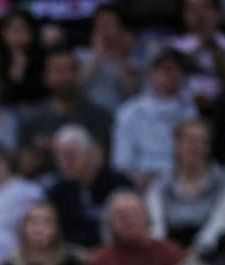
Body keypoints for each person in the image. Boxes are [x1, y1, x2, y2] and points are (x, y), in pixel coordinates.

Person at [112, 48, 198, 190]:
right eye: (166, 69)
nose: (173, 75)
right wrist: (138, 179)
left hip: (180, 183)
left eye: (178, 69)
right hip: (138, 183)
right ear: (151, 73)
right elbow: (121, 161)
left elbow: (193, 158)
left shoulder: (191, 113)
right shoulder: (129, 112)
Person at [19, 48, 113, 178]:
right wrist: (39, 151)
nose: (64, 77)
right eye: (58, 71)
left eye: (68, 70)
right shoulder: (34, 118)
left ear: (78, 75)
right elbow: (25, 167)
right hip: (44, 186)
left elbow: (100, 160)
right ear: (46, 77)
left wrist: (56, 146)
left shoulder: (98, 115)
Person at [44, 124, 132, 249]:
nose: (64, 163)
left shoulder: (118, 185)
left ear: (90, 152)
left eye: (70, 156)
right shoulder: (57, 192)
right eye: (60, 157)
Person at [147, 118, 225, 250]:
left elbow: (219, 224)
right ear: (176, 144)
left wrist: (195, 253)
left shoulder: (221, 182)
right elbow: (156, 228)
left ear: (208, 147)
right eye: (189, 140)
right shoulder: (160, 185)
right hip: (169, 250)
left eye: (201, 141)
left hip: (212, 252)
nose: (194, 147)